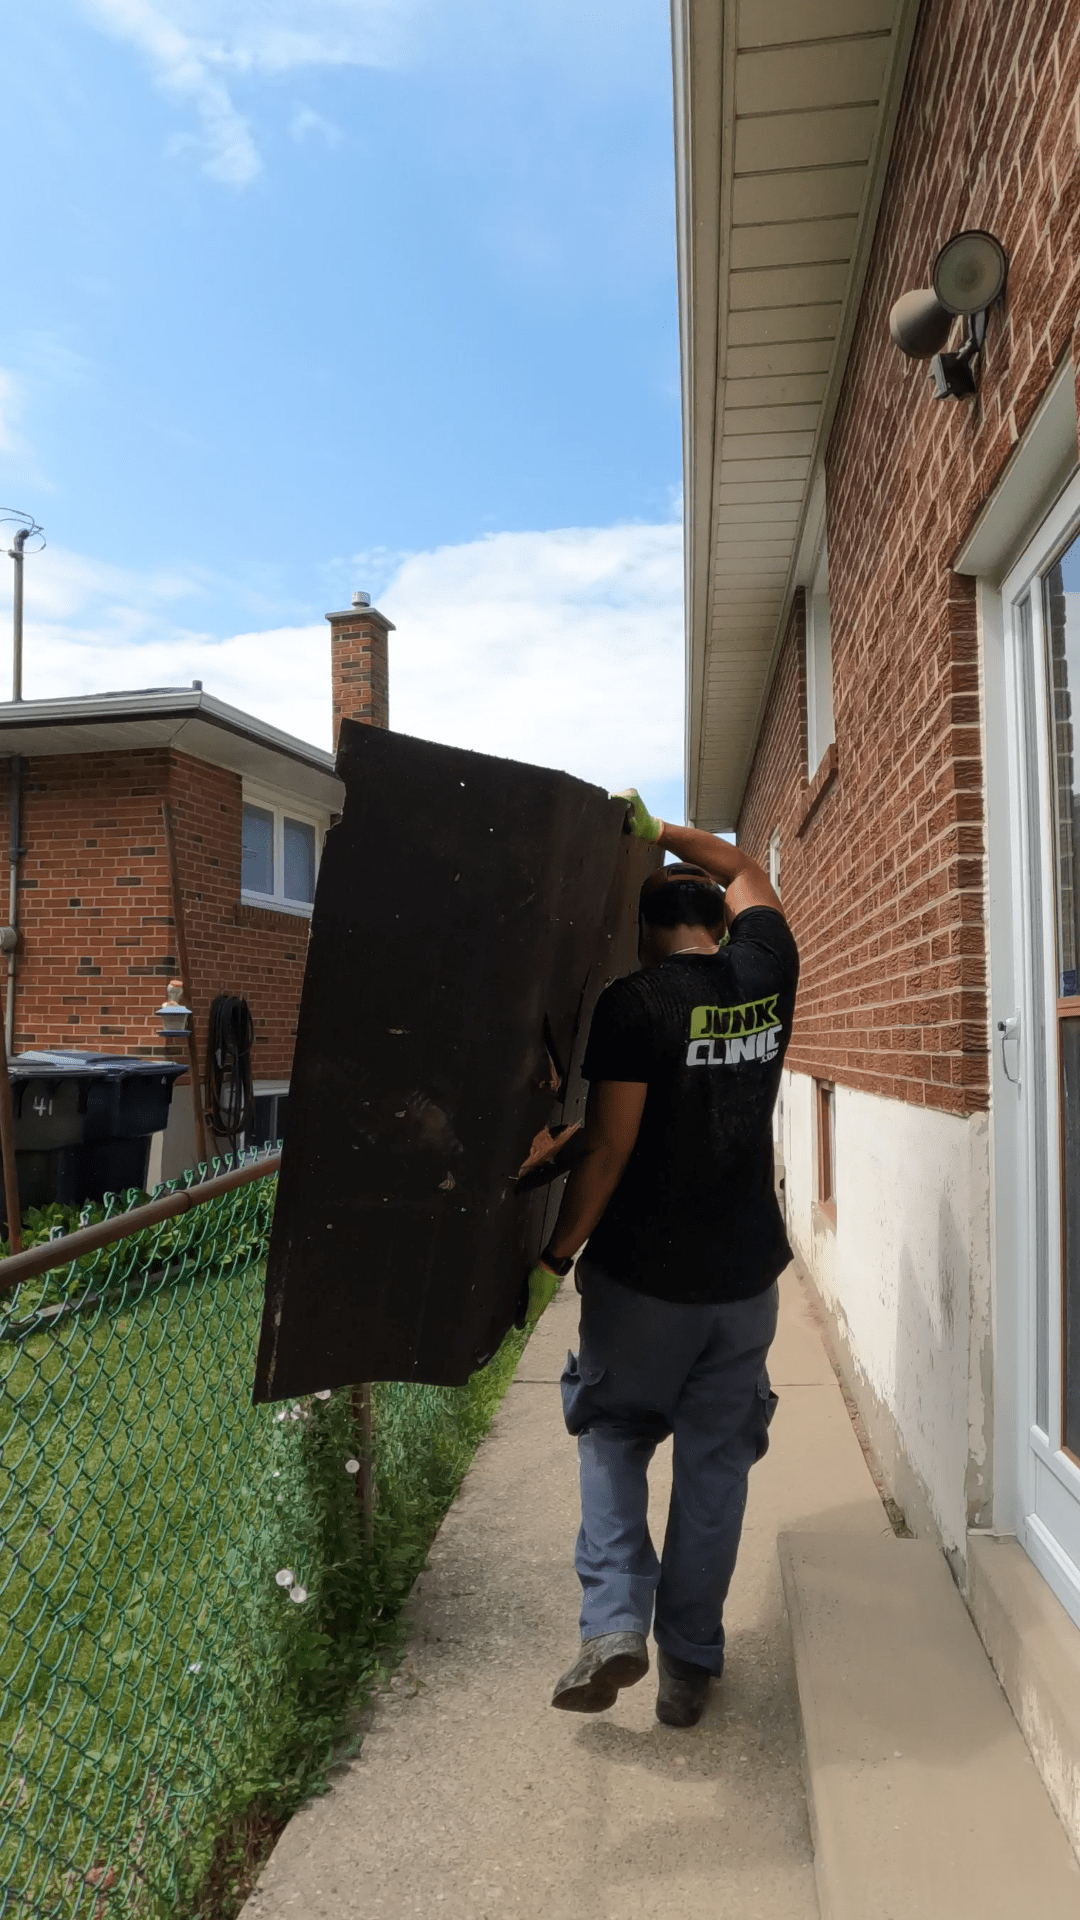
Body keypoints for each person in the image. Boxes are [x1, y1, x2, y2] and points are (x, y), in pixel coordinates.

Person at [524, 790, 799, 1728]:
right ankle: (688, 1665)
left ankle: (611, 1626)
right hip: (746, 1281)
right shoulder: (767, 968)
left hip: (645, 1284)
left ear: (647, 935)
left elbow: (611, 1149)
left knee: (611, 1434)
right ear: (720, 923)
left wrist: (556, 1254)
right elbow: (746, 870)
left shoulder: (634, 1003)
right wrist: (669, 834)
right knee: (716, 1467)